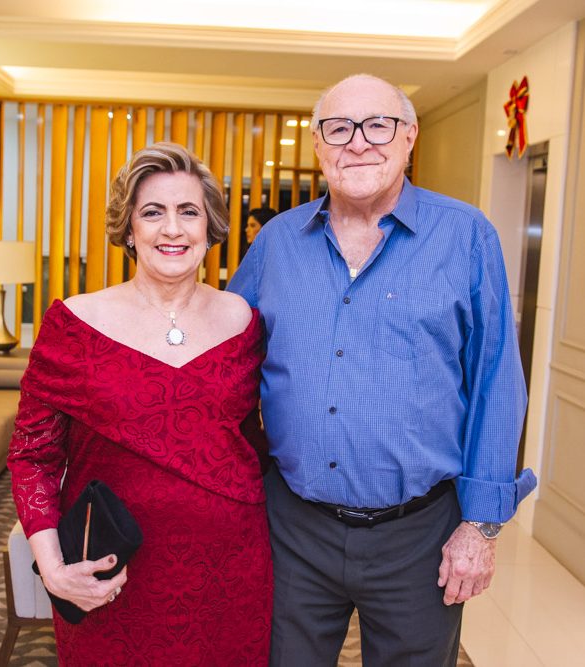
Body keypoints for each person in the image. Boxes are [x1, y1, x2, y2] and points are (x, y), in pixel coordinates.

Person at [228, 74, 537, 666]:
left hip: (420, 535)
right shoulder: (276, 243)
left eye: (378, 125)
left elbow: (496, 381)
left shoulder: (466, 236)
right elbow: (225, 365)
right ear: (318, 144)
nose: (358, 143)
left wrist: (481, 526)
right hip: (292, 529)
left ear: (409, 137)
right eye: (338, 128)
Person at [7, 142, 272, 666]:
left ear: (210, 227)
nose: (172, 229)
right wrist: (54, 569)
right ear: (129, 229)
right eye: (153, 212)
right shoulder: (74, 324)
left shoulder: (244, 320)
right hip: (112, 573)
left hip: (232, 571)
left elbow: (256, 443)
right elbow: (32, 456)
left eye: (188, 212)